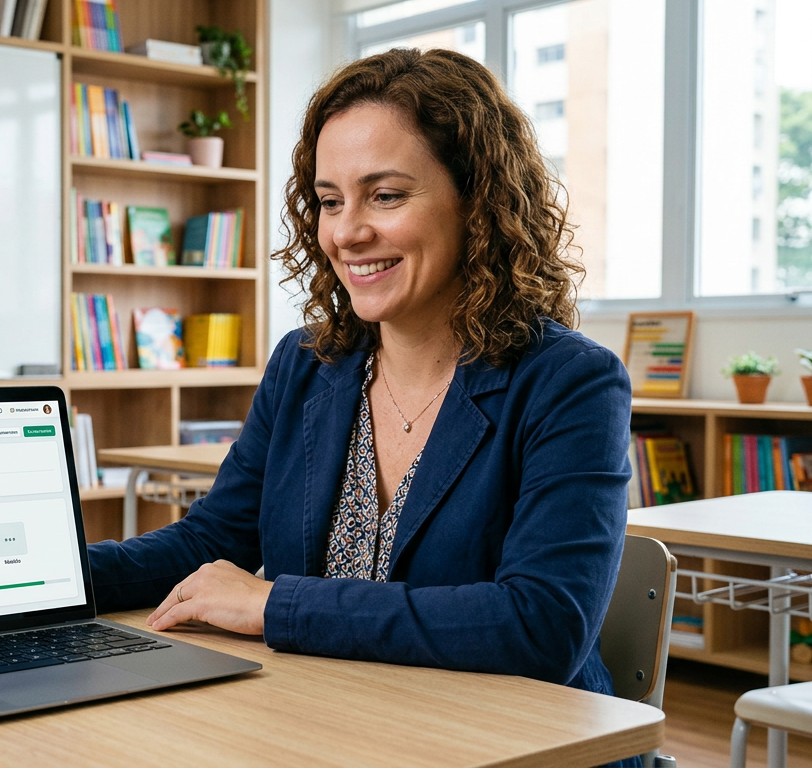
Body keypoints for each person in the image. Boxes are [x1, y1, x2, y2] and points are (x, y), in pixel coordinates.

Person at [86, 48, 633, 700]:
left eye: (386, 196)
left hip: (511, 740)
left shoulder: (569, 382)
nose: (347, 232)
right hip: (336, 722)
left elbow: (542, 626)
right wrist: (43, 578)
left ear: (477, 202)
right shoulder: (305, 364)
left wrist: (273, 606)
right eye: (329, 201)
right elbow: (210, 542)